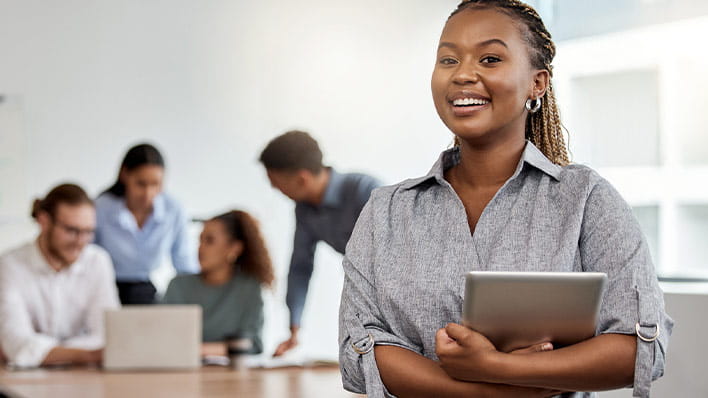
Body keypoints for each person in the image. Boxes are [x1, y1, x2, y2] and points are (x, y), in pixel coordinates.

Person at [338, 1, 673, 397]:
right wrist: (500, 391)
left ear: (538, 83)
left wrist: (493, 365)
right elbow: (359, 352)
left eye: (490, 58)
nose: (463, 74)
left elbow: (641, 348)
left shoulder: (586, 200)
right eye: (447, 60)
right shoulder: (385, 211)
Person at [259, 131, 382, 357]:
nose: (275, 190)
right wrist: (294, 326)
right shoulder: (304, 209)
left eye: (276, 183)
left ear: (302, 179)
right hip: (363, 295)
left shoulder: (365, 190)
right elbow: (300, 268)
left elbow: (398, 256)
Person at [0, 184, 120, 368]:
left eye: (88, 232)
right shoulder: (10, 265)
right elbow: (16, 344)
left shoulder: (98, 261)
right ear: (44, 221)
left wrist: (47, 352)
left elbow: (109, 335)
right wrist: (88, 355)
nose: (80, 242)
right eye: (72, 231)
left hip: (82, 378)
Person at [95, 143, 198, 305]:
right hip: (105, 289)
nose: (148, 193)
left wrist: (198, 298)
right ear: (124, 175)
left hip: (145, 291)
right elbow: (87, 258)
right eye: (141, 184)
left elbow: (184, 263)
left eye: (155, 184)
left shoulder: (173, 209)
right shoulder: (101, 207)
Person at [162, 210, 274, 356]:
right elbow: (163, 339)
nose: (200, 248)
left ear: (234, 248)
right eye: (200, 240)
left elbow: (253, 344)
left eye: (209, 241)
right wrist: (228, 348)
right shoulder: (178, 286)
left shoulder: (249, 288)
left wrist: (197, 350)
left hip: (232, 375)